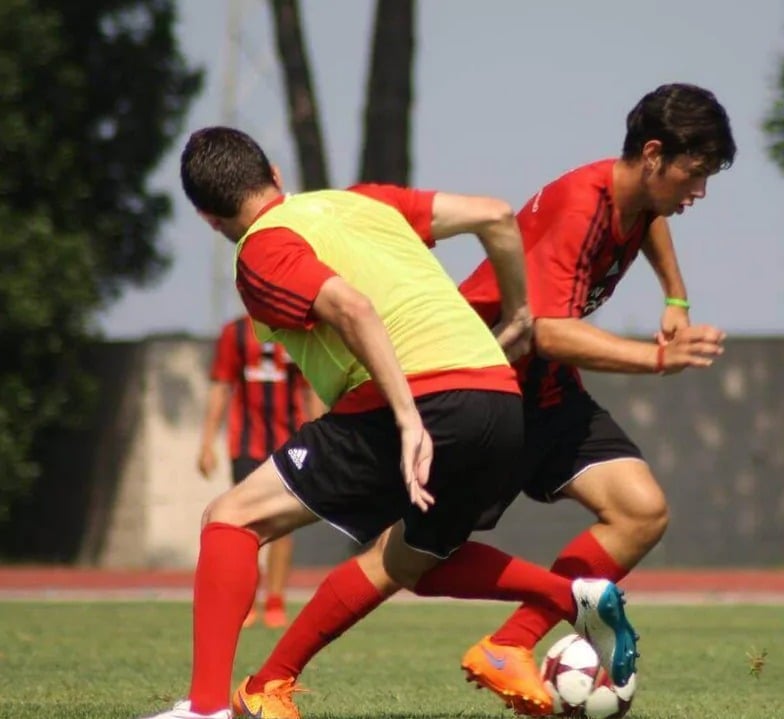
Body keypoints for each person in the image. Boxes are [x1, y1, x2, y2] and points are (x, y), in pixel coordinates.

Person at [232, 82, 735, 719]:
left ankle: (511, 643)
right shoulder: (583, 204)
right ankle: (269, 680)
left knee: (640, 511)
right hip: (481, 388)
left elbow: (650, 222)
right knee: (404, 562)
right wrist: (659, 358)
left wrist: (675, 299)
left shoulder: (638, 199)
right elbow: (549, 329)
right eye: (696, 174)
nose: (701, 192)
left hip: (546, 390)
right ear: (655, 155)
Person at [138, 126, 638, 719]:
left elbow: (352, 307)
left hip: (419, 399)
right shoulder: (361, 201)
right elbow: (497, 216)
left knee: (230, 518)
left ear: (206, 216)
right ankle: (576, 595)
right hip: (500, 397)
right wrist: (521, 314)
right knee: (413, 563)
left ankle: (205, 710)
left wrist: (407, 418)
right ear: (273, 172)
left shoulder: (262, 250)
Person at [198, 315, 318, 629]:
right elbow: (221, 386)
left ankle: (275, 599)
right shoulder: (234, 332)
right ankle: (246, 601)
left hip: (291, 442)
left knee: (283, 523)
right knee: (244, 524)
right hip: (246, 444)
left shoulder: (297, 329)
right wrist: (207, 442)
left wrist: (320, 438)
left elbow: (311, 389)